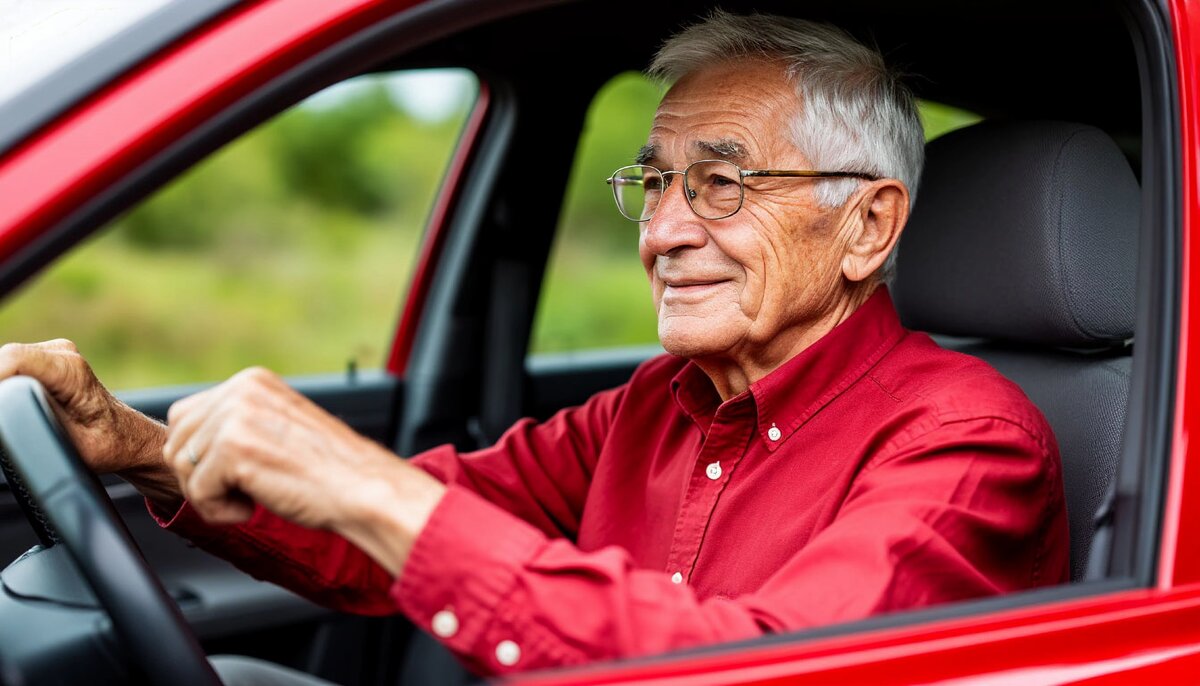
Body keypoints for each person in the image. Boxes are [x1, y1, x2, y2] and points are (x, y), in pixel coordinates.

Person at [0, 10, 1068, 681]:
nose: (661, 232)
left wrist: (372, 488)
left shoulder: (970, 444)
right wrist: (139, 445)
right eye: (655, 182)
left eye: (721, 183)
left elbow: (766, 666)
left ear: (868, 226)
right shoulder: (652, 404)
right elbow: (383, 537)